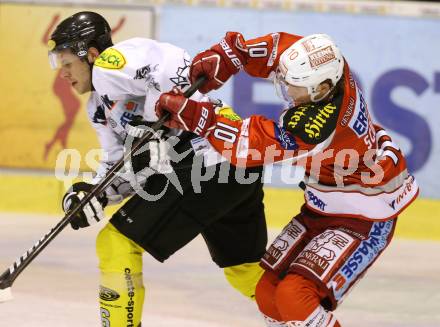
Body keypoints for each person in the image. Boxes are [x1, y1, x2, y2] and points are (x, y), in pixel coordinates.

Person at [155, 32, 419, 326]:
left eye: (295, 89)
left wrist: (199, 117)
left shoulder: (317, 125)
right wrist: (233, 54)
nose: (287, 94)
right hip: (324, 207)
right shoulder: (332, 66)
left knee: (295, 297)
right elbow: (280, 49)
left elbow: (250, 146)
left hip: (364, 216)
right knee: (268, 294)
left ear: (321, 89)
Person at [48, 13, 268, 326]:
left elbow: (175, 63)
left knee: (115, 243)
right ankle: (307, 317)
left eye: (67, 63)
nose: (62, 74)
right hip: (233, 162)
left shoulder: (112, 64)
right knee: (245, 271)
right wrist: (94, 194)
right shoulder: (97, 106)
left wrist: (154, 120)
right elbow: (119, 165)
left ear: (91, 54)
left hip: (208, 159)